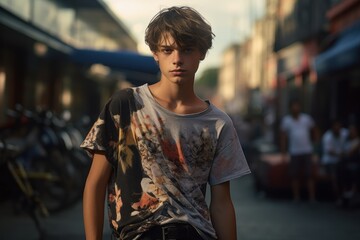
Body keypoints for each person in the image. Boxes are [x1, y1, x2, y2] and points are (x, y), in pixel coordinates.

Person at [81, 6, 250, 240]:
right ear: (155, 53)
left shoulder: (218, 123)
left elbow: (221, 203)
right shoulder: (125, 105)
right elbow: (95, 183)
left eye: (187, 50)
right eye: (167, 50)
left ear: (202, 52)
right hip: (136, 234)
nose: (177, 59)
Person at [280, 99, 318, 203]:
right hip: (294, 151)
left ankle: (312, 197)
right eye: (293, 106)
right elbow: (283, 137)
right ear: (290, 108)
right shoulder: (286, 121)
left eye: (297, 106)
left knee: (309, 175)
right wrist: (283, 152)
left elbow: (314, 130)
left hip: (307, 150)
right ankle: (296, 197)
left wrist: (315, 144)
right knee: (294, 175)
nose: (295, 108)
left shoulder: (307, 119)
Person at [321, 119, 348, 201]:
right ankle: (338, 197)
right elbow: (329, 151)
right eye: (335, 126)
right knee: (335, 176)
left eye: (338, 126)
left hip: (343, 160)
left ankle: (347, 195)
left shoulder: (345, 133)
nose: (337, 128)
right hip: (330, 161)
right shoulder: (327, 136)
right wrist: (340, 154)